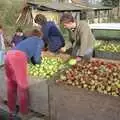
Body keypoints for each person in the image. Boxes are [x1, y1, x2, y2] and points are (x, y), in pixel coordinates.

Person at [4, 28, 44, 120]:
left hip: (8, 55)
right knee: (22, 86)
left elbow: (27, 52)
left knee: (11, 85)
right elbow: (37, 59)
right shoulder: (39, 40)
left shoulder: (26, 40)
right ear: (40, 36)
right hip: (18, 58)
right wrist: (40, 61)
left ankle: (12, 110)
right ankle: (24, 112)